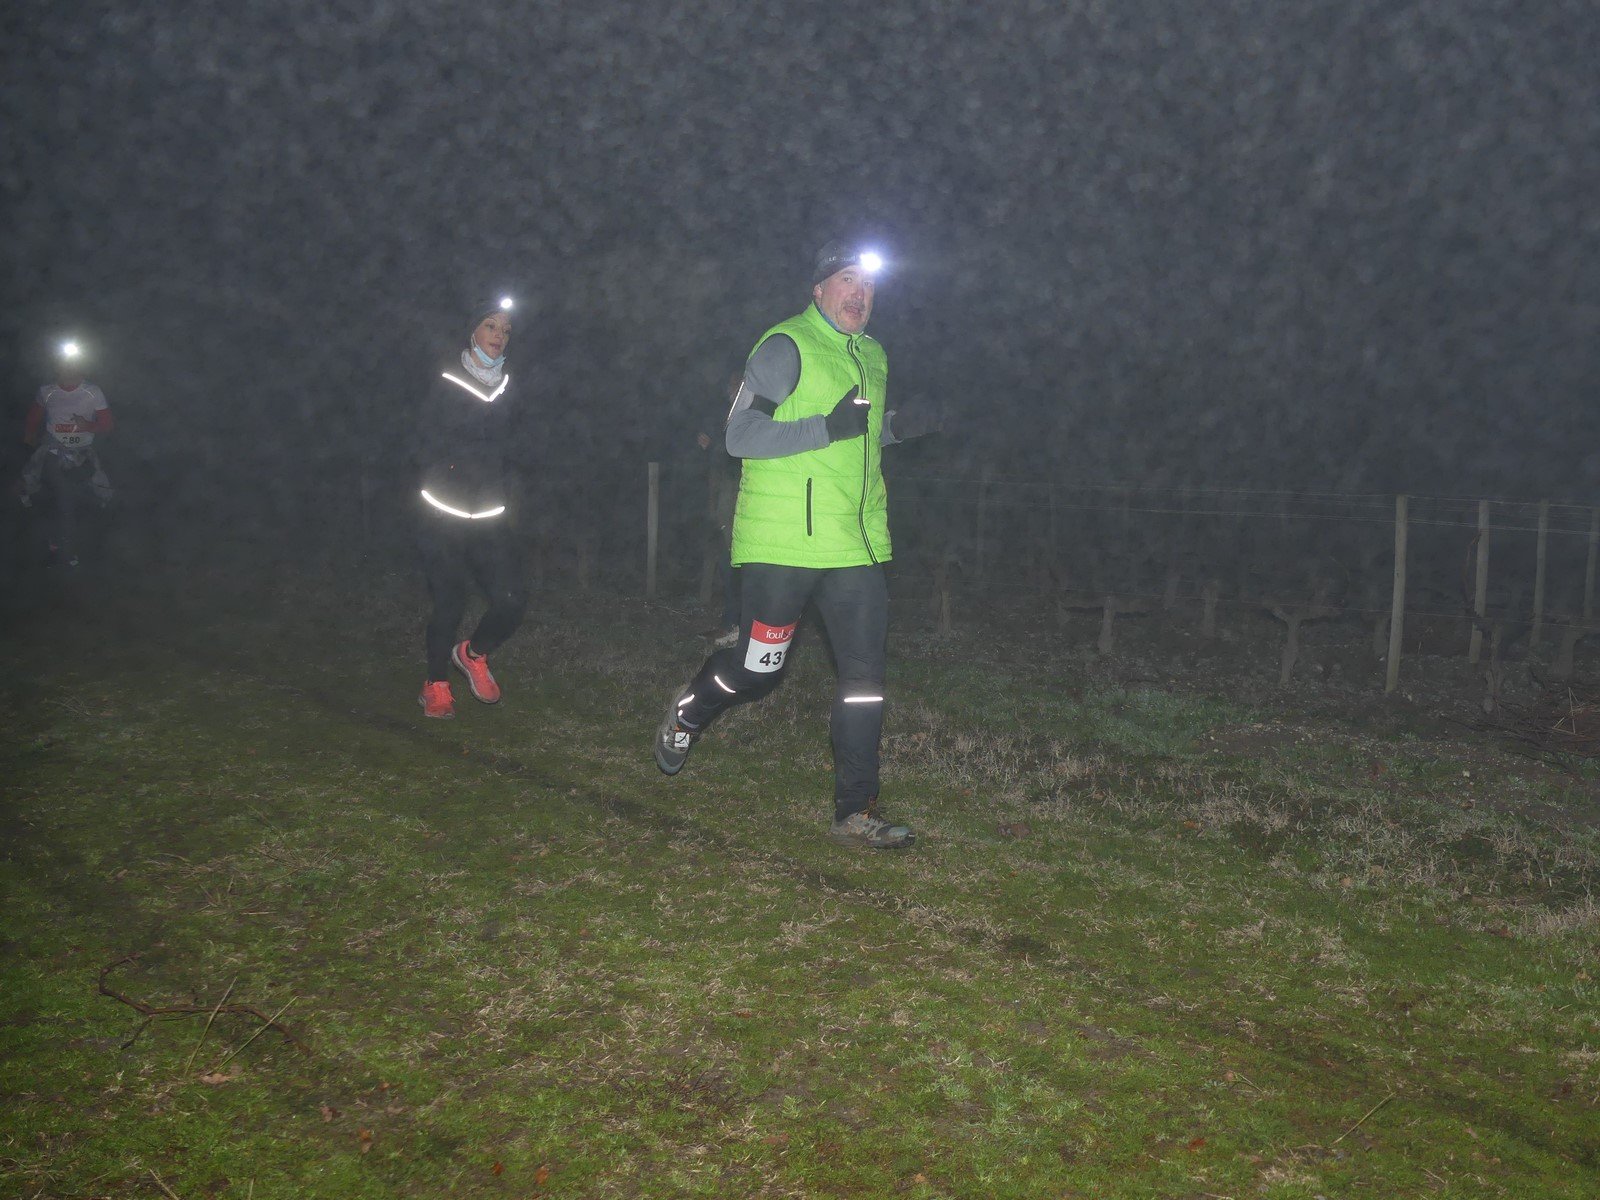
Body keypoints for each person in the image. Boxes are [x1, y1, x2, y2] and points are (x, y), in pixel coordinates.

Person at [653, 239, 937, 849]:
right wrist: (825, 427)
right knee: (756, 671)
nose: (860, 293)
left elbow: (857, 439)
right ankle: (691, 710)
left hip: (855, 545)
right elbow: (740, 435)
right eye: (847, 280)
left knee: (865, 681)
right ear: (819, 288)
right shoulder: (785, 345)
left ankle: (855, 811)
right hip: (783, 543)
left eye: (868, 284)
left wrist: (897, 429)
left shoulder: (873, 355)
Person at [414, 297, 530, 719]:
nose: (499, 336)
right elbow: (423, 437)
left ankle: (473, 653)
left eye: (506, 330)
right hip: (442, 511)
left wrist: (510, 483)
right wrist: (442, 470)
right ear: (473, 331)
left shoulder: (509, 386)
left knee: (512, 600)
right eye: (491, 326)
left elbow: (518, 443)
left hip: (488, 513)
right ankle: (435, 684)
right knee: (450, 601)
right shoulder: (447, 378)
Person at [21, 343, 114, 568]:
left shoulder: (92, 392)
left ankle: (80, 544)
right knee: (64, 501)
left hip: (82, 456)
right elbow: (34, 416)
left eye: (74, 366)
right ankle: (62, 550)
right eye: (64, 366)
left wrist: (87, 425)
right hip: (54, 453)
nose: (69, 371)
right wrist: (30, 436)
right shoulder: (47, 391)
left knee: (83, 501)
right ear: (57, 368)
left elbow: (107, 425)